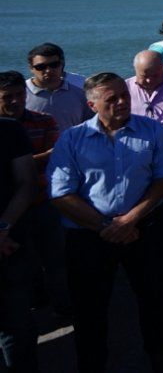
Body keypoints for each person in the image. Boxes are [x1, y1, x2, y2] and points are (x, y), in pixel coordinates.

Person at [47, 73, 163, 373]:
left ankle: (158, 350)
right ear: (91, 104)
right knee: (89, 306)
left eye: (124, 96)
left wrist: (131, 219)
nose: (122, 102)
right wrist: (106, 225)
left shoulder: (152, 131)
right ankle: (92, 362)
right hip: (89, 235)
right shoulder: (72, 139)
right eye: (111, 99)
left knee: (153, 296)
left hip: (141, 228)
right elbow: (60, 192)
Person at [0, 71, 70, 316]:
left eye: (20, 94)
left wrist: (14, 163)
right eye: (7, 97)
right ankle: (32, 302)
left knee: (55, 259)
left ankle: (64, 305)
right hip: (8, 212)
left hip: (42, 202)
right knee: (21, 265)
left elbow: (55, 154)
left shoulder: (44, 120)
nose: (15, 101)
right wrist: (25, 162)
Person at [0, 118, 38, 372]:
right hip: (6, 241)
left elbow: (27, 183)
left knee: (18, 325)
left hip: (10, 241)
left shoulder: (10, 130)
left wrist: (3, 228)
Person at [24, 42, 91, 132]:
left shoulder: (80, 95)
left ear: (62, 65)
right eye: (41, 67)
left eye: (54, 65)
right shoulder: (21, 94)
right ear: (31, 68)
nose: (48, 70)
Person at [126, 50, 163, 128]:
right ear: (135, 69)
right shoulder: (124, 88)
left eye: (155, 76)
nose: (149, 80)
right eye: (144, 76)